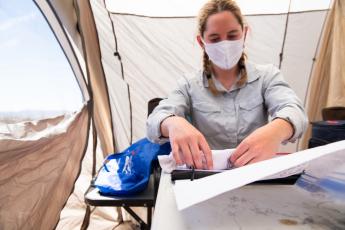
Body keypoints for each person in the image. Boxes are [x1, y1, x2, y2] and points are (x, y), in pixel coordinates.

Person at [146, 0, 308, 170]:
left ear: (244, 34)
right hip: (206, 178)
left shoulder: (267, 76)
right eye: (215, 39)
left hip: (256, 176)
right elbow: (154, 122)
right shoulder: (188, 84)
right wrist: (173, 123)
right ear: (202, 43)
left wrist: (277, 130)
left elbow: (295, 110)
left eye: (232, 36)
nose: (225, 45)